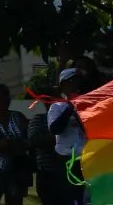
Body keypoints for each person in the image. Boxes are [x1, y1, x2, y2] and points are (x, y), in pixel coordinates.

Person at [35, 70, 89, 205]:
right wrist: (70, 107)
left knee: (86, 195)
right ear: (64, 84)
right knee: (70, 196)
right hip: (66, 159)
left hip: (85, 157)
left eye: (77, 81)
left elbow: (90, 130)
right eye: (73, 81)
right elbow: (55, 129)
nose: (76, 84)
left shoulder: (85, 106)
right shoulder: (56, 107)